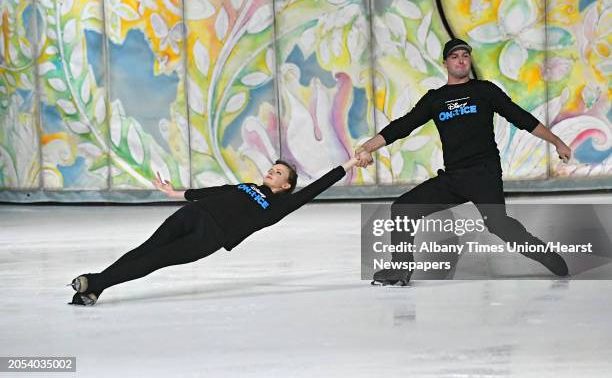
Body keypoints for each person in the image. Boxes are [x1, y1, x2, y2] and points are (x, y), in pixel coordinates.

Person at [356, 38, 572, 286]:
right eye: (455, 56)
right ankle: (400, 270)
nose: (461, 60)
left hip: (483, 173)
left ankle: (551, 258)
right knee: (403, 209)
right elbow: (402, 126)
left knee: (498, 225)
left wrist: (556, 141)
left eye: (465, 56)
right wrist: (367, 147)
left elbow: (521, 118)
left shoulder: (485, 91)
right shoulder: (435, 99)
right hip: (454, 177)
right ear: (445, 63)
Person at [68, 157, 358, 305]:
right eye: (272, 168)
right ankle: (96, 287)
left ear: (286, 186)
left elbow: (318, 186)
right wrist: (177, 194)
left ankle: (94, 281)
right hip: (192, 214)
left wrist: (349, 164)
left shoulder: (279, 206)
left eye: (279, 173)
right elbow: (216, 191)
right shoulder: (249, 186)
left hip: (208, 238)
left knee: (154, 260)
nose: (272, 172)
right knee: (143, 250)